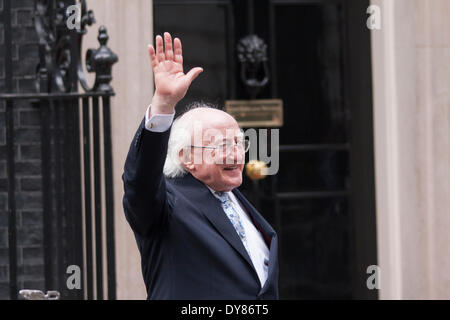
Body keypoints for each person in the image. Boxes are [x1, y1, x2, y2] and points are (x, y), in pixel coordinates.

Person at [122, 32, 279, 300]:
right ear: (187, 157)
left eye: (239, 143)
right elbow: (140, 180)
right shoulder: (166, 205)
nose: (235, 154)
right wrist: (163, 104)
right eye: (221, 146)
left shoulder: (236, 200)